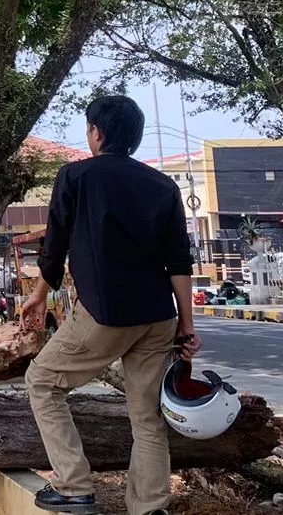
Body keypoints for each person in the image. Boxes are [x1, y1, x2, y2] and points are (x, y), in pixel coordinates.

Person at [22, 95, 199, 515]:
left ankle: (73, 487)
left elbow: (56, 246)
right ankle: (150, 506)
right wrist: (186, 327)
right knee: (146, 416)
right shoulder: (163, 185)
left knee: (43, 383)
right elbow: (179, 261)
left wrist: (38, 295)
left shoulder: (76, 176)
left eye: (88, 129)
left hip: (105, 312)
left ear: (97, 133)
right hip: (157, 317)